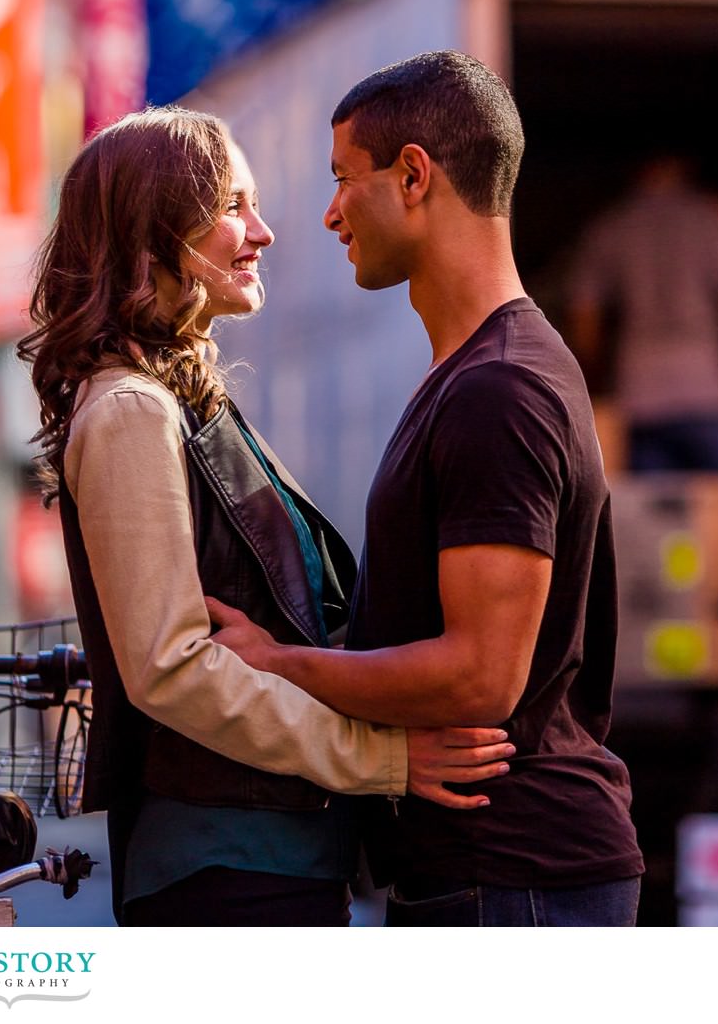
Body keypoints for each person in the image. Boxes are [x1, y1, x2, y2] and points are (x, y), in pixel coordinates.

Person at [17, 106, 514, 927]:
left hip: (260, 859)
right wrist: (381, 758)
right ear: (154, 232)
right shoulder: (131, 411)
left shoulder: (170, 399)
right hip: (226, 870)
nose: (263, 232)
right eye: (230, 208)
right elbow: (169, 668)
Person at [207, 51, 644, 927]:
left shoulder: (499, 387)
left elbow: (480, 675)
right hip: (486, 873)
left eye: (343, 179)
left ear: (413, 175)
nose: (329, 213)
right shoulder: (474, 372)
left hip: (512, 873)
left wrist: (280, 666)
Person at [565, 151, 718, 473]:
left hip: (640, 391)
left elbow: (585, 315)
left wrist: (589, 383)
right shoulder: (714, 217)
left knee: (654, 518)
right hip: (707, 390)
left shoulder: (612, 224)